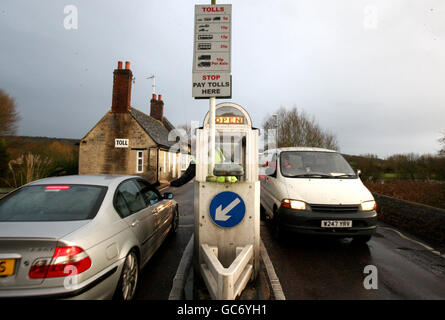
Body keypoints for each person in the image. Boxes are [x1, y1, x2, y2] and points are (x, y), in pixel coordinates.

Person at [159, 148, 226, 188]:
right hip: (228, 186)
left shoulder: (200, 155)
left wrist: (172, 183)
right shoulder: (219, 151)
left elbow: (188, 175)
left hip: (210, 188)